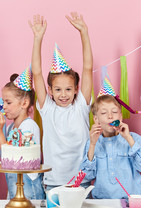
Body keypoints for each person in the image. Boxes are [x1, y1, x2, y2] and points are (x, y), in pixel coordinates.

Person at [29, 12, 93, 190]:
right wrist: (38, 38)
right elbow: (36, 73)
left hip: (82, 181)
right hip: (53, 182)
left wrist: (84, 32)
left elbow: (88, 68)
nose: (63, 94)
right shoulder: (47, 109)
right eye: (57, 90)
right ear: (49, 90)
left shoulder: (81, 106)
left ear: (76, 90)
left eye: (68, 89)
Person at [80, 95, 141, 199]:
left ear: (120, 117)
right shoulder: (92, 142)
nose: (110, 116)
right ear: (96, 119)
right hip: (103, 202)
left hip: (133, 201)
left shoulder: (134, 138)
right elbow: (87, 175)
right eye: (104, 113)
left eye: (114, 112)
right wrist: (92, 144)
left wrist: (128, 137)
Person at [0, 67, 45, 199]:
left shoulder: (29, 126)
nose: (3, 106)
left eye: (8, 102)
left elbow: (13, 158)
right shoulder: (11, 128)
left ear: (24, 103)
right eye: (3, 101)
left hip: (29, 190)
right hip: (15, 188)